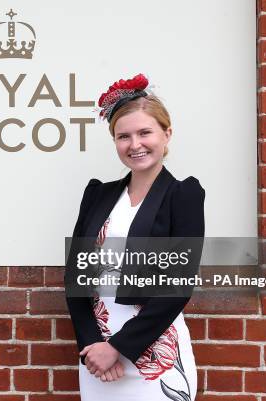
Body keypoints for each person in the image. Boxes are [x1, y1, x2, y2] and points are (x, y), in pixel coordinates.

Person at [65, 73, 204, 400]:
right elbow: (76, 278)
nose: (135, 144)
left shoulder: (183, 194)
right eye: (123, 136)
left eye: (145, 132)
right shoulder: (98, 195)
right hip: (99, 359)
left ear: (166, 134)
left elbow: (178, 285)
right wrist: (92, 347)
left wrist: (120, 347)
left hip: (155, 354)